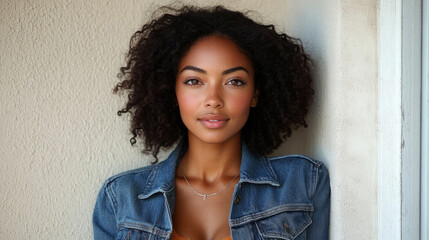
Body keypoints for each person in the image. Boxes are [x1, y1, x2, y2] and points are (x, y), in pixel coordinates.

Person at [93, 5, 330, 240]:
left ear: (255, 94)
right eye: (194, 81)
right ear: (172, 91)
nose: (213, 100)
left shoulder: (304, 183)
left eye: (234, 81)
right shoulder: (121, 199)